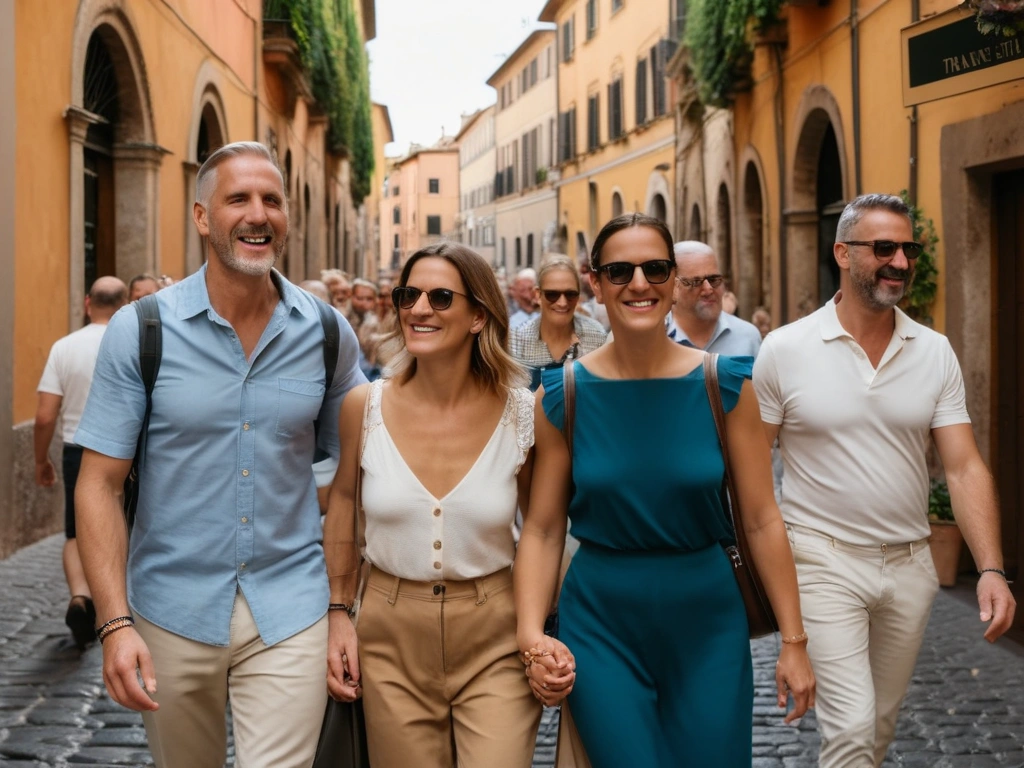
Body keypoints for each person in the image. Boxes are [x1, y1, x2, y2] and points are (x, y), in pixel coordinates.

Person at [73, 141, 365, 768]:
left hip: (292, 606)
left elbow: (358, 473)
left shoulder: (325, 331)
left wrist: (342, 604)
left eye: (272, 200)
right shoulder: (142, 330)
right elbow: (98, 484)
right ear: (203, 216)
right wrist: (114, 623)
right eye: (239, 199)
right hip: (170, 608)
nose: (258, 214)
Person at [515, 213, 814, 767]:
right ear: (596, 284)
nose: (638, 283)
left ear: (674, 280)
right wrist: (531, 634)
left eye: (654, 268)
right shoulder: (562, 395)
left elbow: (761, 519)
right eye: (619, 270)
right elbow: (542, 525)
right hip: (601, 620)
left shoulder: (725, 385)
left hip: (708, 623)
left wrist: (793, 643)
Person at [753, 193, 1016, 768]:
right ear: (842, 253)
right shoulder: (785, 349)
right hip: (821, 559)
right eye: (884, 248)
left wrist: (991, 567)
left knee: (878, 728)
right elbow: (751, 469)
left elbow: (964, 465)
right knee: (848, 728)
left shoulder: (934, 351)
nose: (900, 261)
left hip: (910, 566)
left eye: (909, 249)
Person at [323, 242, 567, 768]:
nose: (419, 309)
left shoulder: (525, 414)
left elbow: (543, 530)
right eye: (408, 295)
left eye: (439, 297)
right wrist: (339, 613)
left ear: (479, 315)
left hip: (495, 634)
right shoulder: (363, 407)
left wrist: (535, 631)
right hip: (389, 637)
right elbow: (343, 505)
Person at [34, 276, 128, 650]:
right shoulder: (130, 342)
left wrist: (41, 460)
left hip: (77, 447)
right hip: (126, 449)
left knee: (76, 531)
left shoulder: (64, 347)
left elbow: (44, 417)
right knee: (122, 523)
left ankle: (80, 596)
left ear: (88, 303)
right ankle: (117, 610)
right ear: (124, 306)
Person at [510, 255, 607, 391]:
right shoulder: (517, 340)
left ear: (578, 296)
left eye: (570, 294)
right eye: (552, 295)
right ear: (538, 295)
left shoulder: (596, 336)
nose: (562, 303)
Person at [668, 241, 761, 357]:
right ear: (672, 286)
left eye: (713, 280)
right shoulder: (653, 338)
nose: (708, 290)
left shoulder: (747, 337)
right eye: (695, 282)